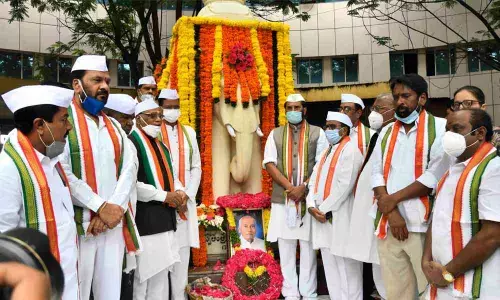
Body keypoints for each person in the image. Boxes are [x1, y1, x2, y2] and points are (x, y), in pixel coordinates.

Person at [61, 55, 140, 300]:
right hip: (79, 227)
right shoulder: (63, 121)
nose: (104, 86)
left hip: (112, 226)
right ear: (77, 84)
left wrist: (112, 209)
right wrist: (99, 206)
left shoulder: (114, 126)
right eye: (96, 80)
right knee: (76, 293)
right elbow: (61, 170)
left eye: (106, 80)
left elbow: (130, 166)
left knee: (110, 293)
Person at [372, 74, 451, 299]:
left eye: (406, 96)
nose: (400, 102)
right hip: (389, 224)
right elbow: (376, 173)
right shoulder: (387, 131)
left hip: (422, 225)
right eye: (397, 97)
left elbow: (433, 176)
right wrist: (392, 212)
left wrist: (391, 201)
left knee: (430, 290)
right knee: (396, 291)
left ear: (422, 98)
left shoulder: (441, 127)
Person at [0, 85, 78, 300]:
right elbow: (3, 242)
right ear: (40, 125)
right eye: (63, 119)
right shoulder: (8, 169)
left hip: (67, 276)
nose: (69, 126)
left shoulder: (51, 161)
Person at [422, 109, 500, 299]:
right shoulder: (453, 169)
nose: (449, 136)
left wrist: (448, 273)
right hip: (442, 278)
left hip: (473, 283)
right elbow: (438, 217)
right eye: (447, 130)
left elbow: (492, 235)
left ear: (480, 133)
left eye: (457, 129)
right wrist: (426, 260)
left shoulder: (493, 169)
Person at [263, 93, 328, 300]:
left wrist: (304, 188)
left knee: (309, 247)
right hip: (284, 198)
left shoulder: (318, 133)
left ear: (304, 110)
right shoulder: (275, 134)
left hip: (308, 199)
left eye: (296, 108)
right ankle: (290, 293)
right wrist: (291, 188)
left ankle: (309, 294)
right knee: (286, 247)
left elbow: (322, 163)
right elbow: (269, 163)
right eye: (289, 108)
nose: (293, 112)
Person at [129, 100, 187, 300]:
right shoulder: (131, 143)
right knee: (144, 277)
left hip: (166, 218)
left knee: (162, 275)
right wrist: (164, 195)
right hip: (146, 220)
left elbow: (172, 175)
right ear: (138, 119)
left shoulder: (161, 145)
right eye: (151, 116)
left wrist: (180, 191)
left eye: (159, 115)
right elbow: (131, 184)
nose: (157, 120)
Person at [307, 111, 363, 300]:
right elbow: (313, 181)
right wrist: (310, 206)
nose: (327, 130)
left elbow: (344, 186)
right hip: (321, 217)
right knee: (331, 267)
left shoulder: (351, 151)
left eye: (332, 127)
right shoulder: (325, 152)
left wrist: (322, 209)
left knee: (347, 269)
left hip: (340, 217)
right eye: (327, 126)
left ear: (344, 130)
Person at [346, 93, 394, 299]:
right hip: (369, 209)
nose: (374, 113)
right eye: (373, 108)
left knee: (389, 267)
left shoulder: (393, 134)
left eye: (380, 109)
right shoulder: (379, 134)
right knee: (375, 261)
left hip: (387, 210)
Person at [158, 89, 201, 300]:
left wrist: (187, 194)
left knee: (183, 257)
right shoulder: (154, 132)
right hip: (163, 203)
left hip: (186, 203)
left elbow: (196, 167)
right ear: (160, 107)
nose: (173, 110)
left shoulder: (189, 132)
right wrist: (174, 195)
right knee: (162, 260)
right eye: (168, 107)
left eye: (176, 106)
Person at [104, 94, 139, 300]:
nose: (129, 123)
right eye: (125, 117)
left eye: (131, 118)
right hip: (101, 221)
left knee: (124, 280)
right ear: (108, 115)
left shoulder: (128, 143)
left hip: (124, 219)